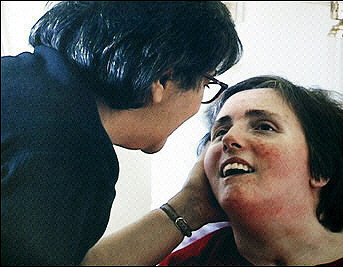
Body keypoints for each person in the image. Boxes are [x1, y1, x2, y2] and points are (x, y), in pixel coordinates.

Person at [1, 1, 242, 265]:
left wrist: (190, 205)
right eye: (207, 84)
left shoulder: (18, 79)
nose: (232, 140)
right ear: (162, 80)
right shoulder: (72, 156)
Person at [159, 75, 343, 266]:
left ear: (320, 168)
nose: (229, 139)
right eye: (220, 131)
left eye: (264, 127)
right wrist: (186, 206)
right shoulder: (190, 261)